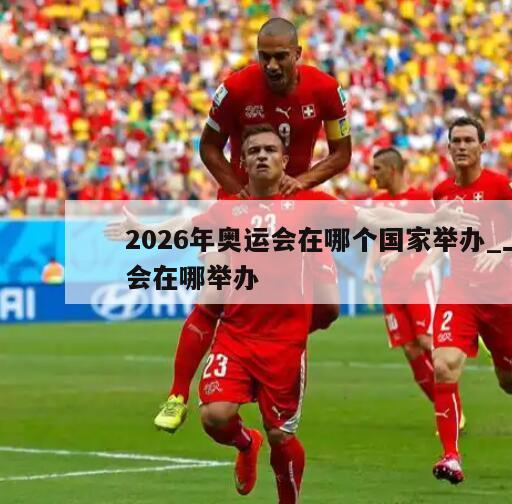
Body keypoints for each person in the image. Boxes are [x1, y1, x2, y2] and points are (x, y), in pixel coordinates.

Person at [106, 124, 475, 501]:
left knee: (280, 435)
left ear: (284, 160)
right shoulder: (230, 210)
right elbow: (185, 228)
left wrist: (430, 221)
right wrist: (143, 231)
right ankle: (245, 443)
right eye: (254, 151)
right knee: (214, 417)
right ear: (244, 163)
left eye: (270, 150)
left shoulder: (309, 205)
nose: (262, 156)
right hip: (235, 336)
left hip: (284, 344)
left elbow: (372, 217)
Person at [155, 17, 352, 433]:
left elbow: (341, 153)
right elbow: (208, 147)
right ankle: (177, 394)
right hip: (239, 203)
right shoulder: (236, 89)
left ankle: (278, 345)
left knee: (329, 307)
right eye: (265, 57)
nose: (272, 65)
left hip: (295, 207)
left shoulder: (326, 90)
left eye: (280, 57)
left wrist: (302, 182)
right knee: (214, 292)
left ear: (297, 54)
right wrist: (237, 191)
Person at [421, 117, 512, 485]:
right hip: (459, 291)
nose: (461, 146)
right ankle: (451, 456)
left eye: (468, 140)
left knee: (508, 381)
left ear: (482, 147)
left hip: (502, 295)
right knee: (443, 365)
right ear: (448, 148)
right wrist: (425, 258)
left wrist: (501, 248)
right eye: (455, 141)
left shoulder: (502, 187)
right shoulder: (442, 192)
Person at [363, 148, 465, 430]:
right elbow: (377, 238)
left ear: (392, 170)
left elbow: (438, 233)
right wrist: (370, 266)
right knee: (409, 349)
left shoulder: (421, 199)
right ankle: (444, 409)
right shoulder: (378, 203)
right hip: (390, 284)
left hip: (418, 279)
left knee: (426, 341)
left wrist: (415, 257)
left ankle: (452, 406)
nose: (373, 174)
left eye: (377, 169)